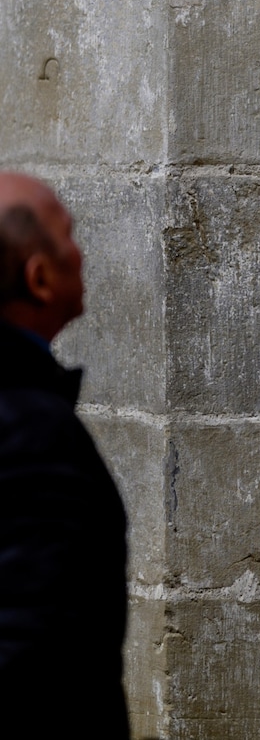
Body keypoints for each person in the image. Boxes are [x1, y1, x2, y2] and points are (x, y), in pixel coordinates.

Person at [0, 172, 129, 739]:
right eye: (70, 234)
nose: (83, 250)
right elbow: (34, 660)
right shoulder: (31, 435)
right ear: (40, 277)